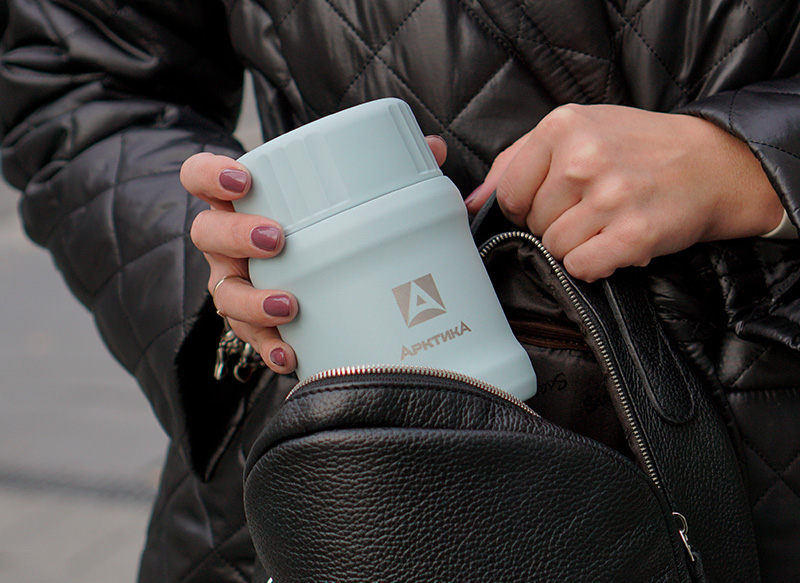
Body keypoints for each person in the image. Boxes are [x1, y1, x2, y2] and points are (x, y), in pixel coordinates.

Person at [1, 1, 799, 581]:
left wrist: (752, 162)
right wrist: (237, 284)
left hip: (770, 440)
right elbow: (74, 74)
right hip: (350, 474)